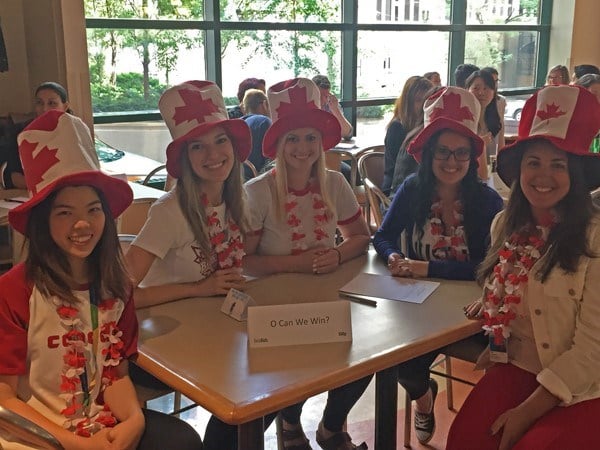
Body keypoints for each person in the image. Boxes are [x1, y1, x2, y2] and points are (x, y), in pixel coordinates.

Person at [0, 109, 202, 449]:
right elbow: (4, 399)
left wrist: (134, 420)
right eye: (65, 213)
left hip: (98, 425)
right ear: (42, 221)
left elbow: (117, 374)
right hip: (35, 437)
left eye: (93, 210)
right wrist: (72, 443)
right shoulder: (14, 291)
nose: (83, 225)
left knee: (182, 441)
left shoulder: (116, 286)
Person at [447, 85, 600, 450]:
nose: (542, 175)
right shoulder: (504, 224)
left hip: (585, 383)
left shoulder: (594, 236)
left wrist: (527, 413)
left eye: (557, 164)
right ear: (519, 169)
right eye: (534, 162)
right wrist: (493, 309)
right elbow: (507, 285)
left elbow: (593, 350)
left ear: (576, 174)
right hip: (519, 366)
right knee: (464, 441)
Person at [244, 77, 371, 450]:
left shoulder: (335, 182)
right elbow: (246, 261)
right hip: (275, 302)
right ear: (279, 145)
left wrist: (336, 254)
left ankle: (331, 427)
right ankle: (289, 421)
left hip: (328, 293)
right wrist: (296, 264)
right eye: (293, 139)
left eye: (311, 138)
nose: (303, 148)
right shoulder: (258, 192)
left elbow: (361, 238)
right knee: (293, 360)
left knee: (366, 356)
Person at [373, 87, 504, 445]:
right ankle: (424, 401)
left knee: (503, 367)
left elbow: (489, 267)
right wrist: (394, 257)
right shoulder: (412, 190)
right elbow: (381, 236)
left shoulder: (489, 201)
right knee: (404, 366)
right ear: (428, 153)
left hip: (474, 310)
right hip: (422, 307)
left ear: (472, 157)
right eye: (443, 151)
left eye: (461, 153)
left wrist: (426, 268)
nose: (452, 161)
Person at [124, 80, 251, 450]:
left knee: (276, 381)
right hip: (163, 352)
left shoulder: (238, 199)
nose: (213, 155)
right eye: (198, 146)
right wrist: (199, 289)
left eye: (220, 141)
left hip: (216, 334)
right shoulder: (170, 211)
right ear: (185, 158)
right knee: (250, 391)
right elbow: (121, 298)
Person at [0, 81, 98, 190]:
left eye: (52, 103)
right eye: (39, 103)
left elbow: (88, 169)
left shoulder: (77, 130)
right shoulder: (22, 133)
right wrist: (53, 188)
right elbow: (15, 177)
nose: (45, 109)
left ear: (65, 106)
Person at [382, 76, 433, 195]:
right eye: (419, 100)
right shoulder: (397, 128)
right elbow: (401, 171)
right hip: (395, 189)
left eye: (428, 100)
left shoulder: (429, 127)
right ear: (408, 102)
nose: (424, 105)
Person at [466, 70, 504, 178]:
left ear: (493, 92)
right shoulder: (464, 120)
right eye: (476, 88)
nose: (481, 93)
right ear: (467, 90)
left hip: (491, 176)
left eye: (486, 88)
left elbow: (501, 150)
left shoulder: (497, 119)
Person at [241, 88, 272, 178]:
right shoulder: (264, 122)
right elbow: (270, 161)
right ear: (265, 104)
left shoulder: (240, 123)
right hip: (254, 181)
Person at [312, 74, 353, 140]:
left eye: (325, 96)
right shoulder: (306, 106)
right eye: (319, 95)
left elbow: (347, 134)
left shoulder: (331, 105)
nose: (323, 100)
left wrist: (335, 110)